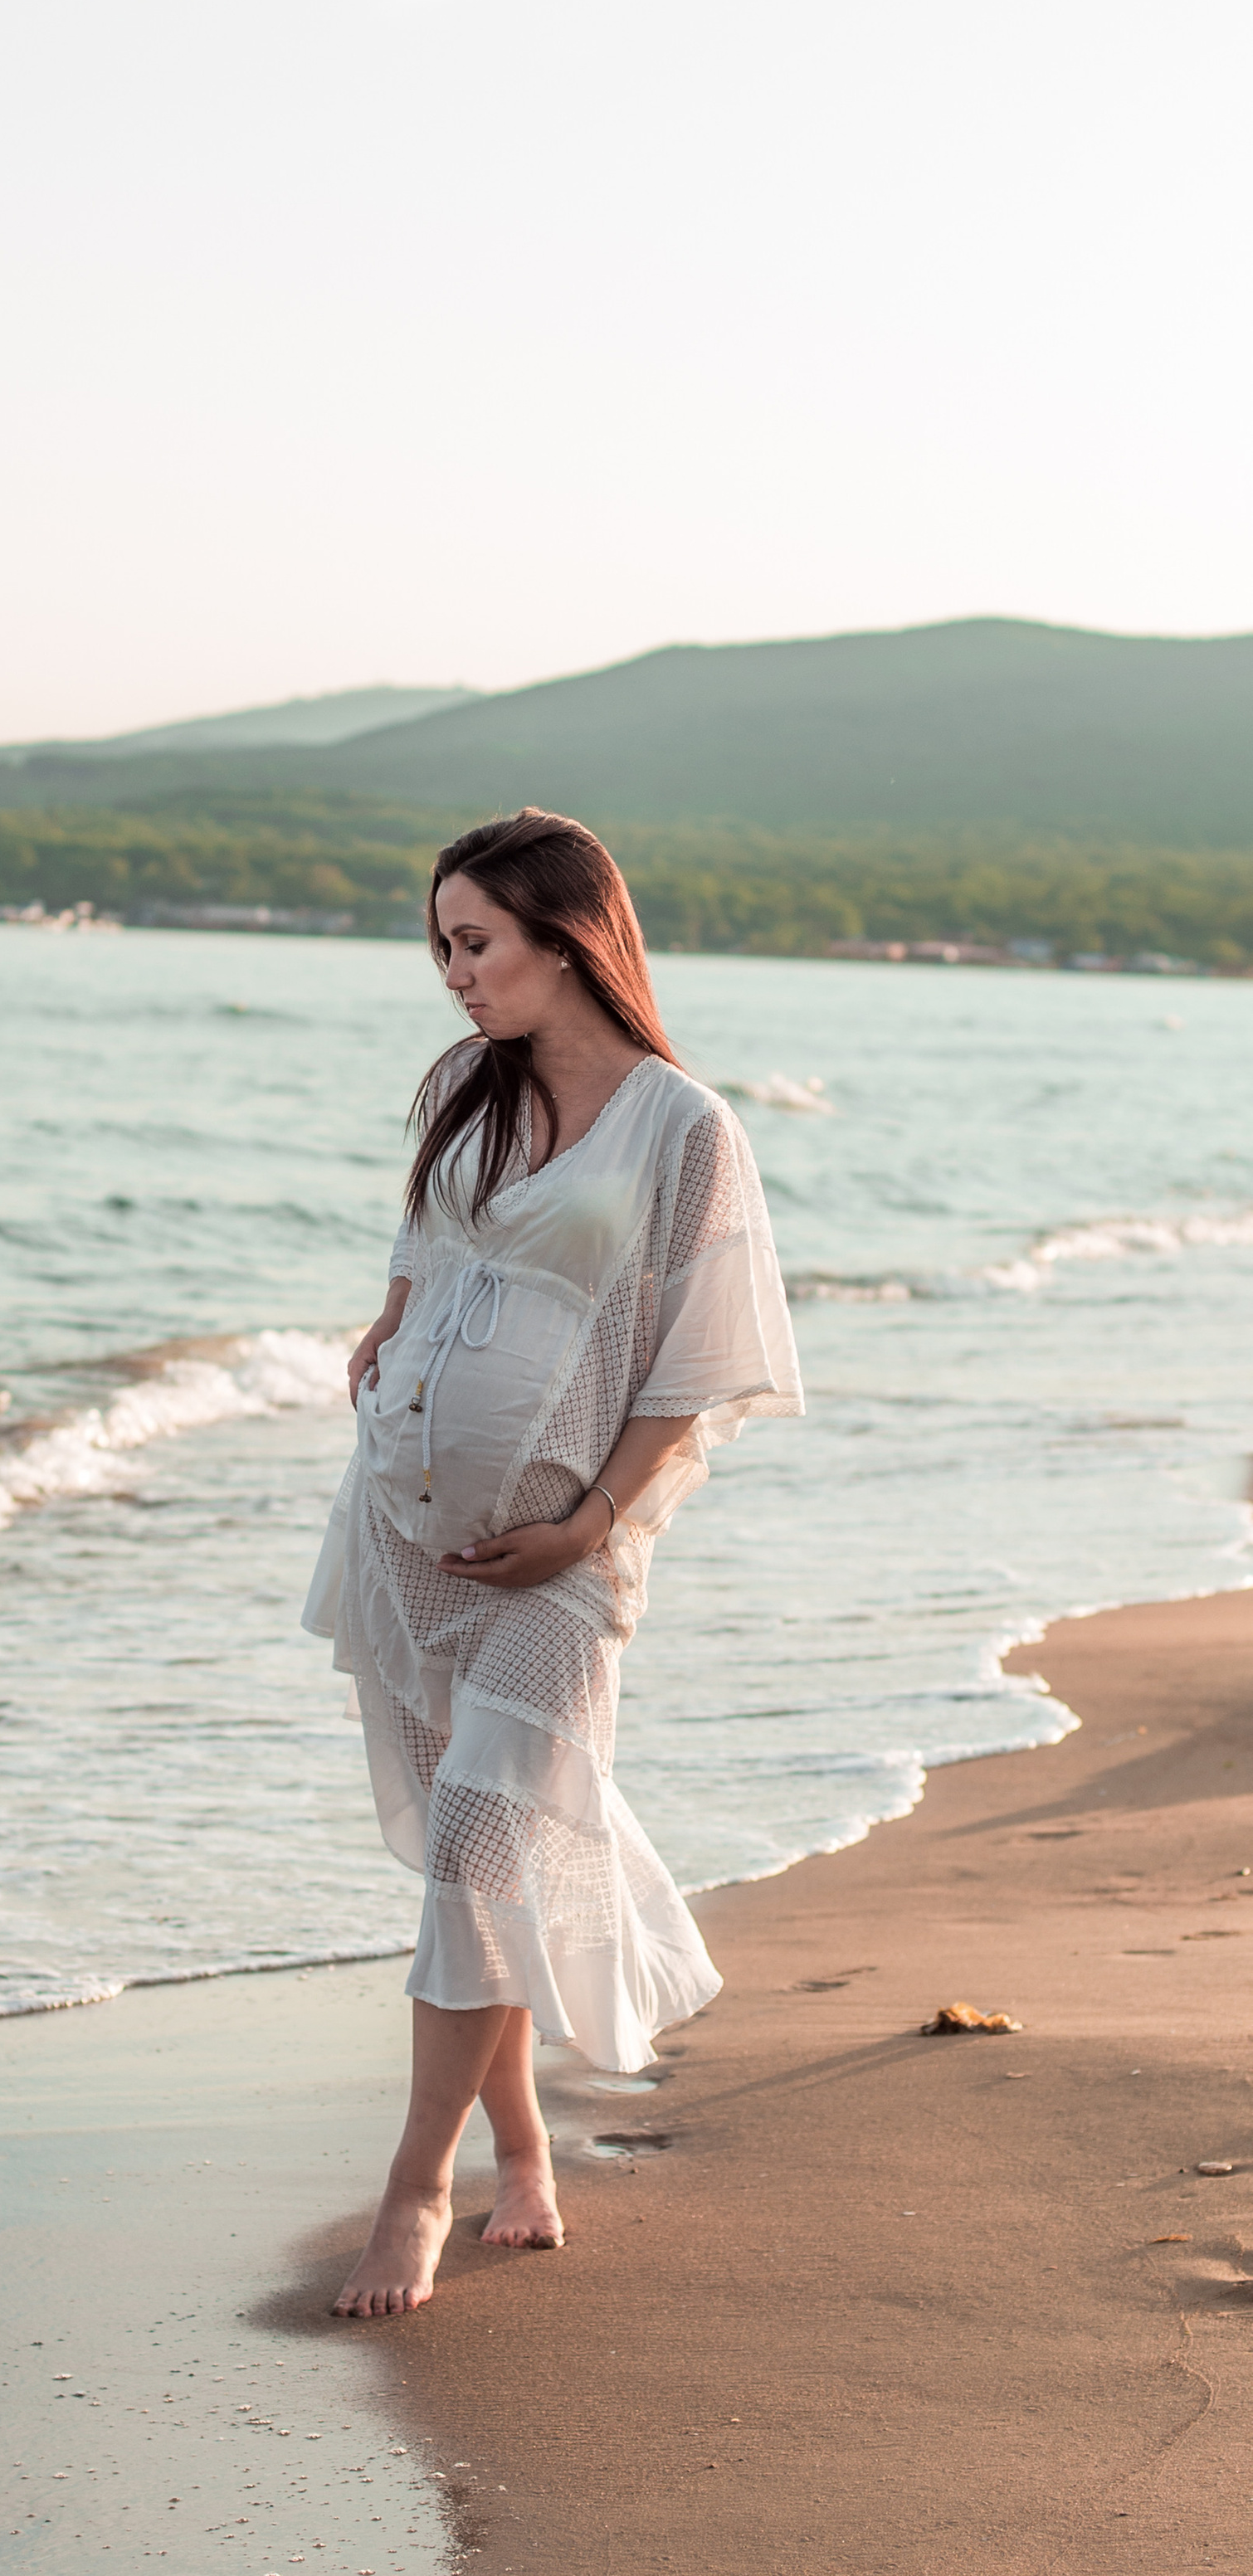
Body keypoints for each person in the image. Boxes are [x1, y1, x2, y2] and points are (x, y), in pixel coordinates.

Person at [303, 810, 802, 2318]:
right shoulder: (464, 1084)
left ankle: (415, 2193)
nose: (453, 975)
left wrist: (591, 1522)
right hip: (405, 1527)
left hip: (562, 1561)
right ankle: (524, 2159)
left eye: (476, 942)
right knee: (490, 1854)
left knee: (476, 1846)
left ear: (568, 936)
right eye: (440, 945)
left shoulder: (684, 1128)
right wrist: (391, 1322)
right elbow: (428, 1236)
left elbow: (693, 1365)